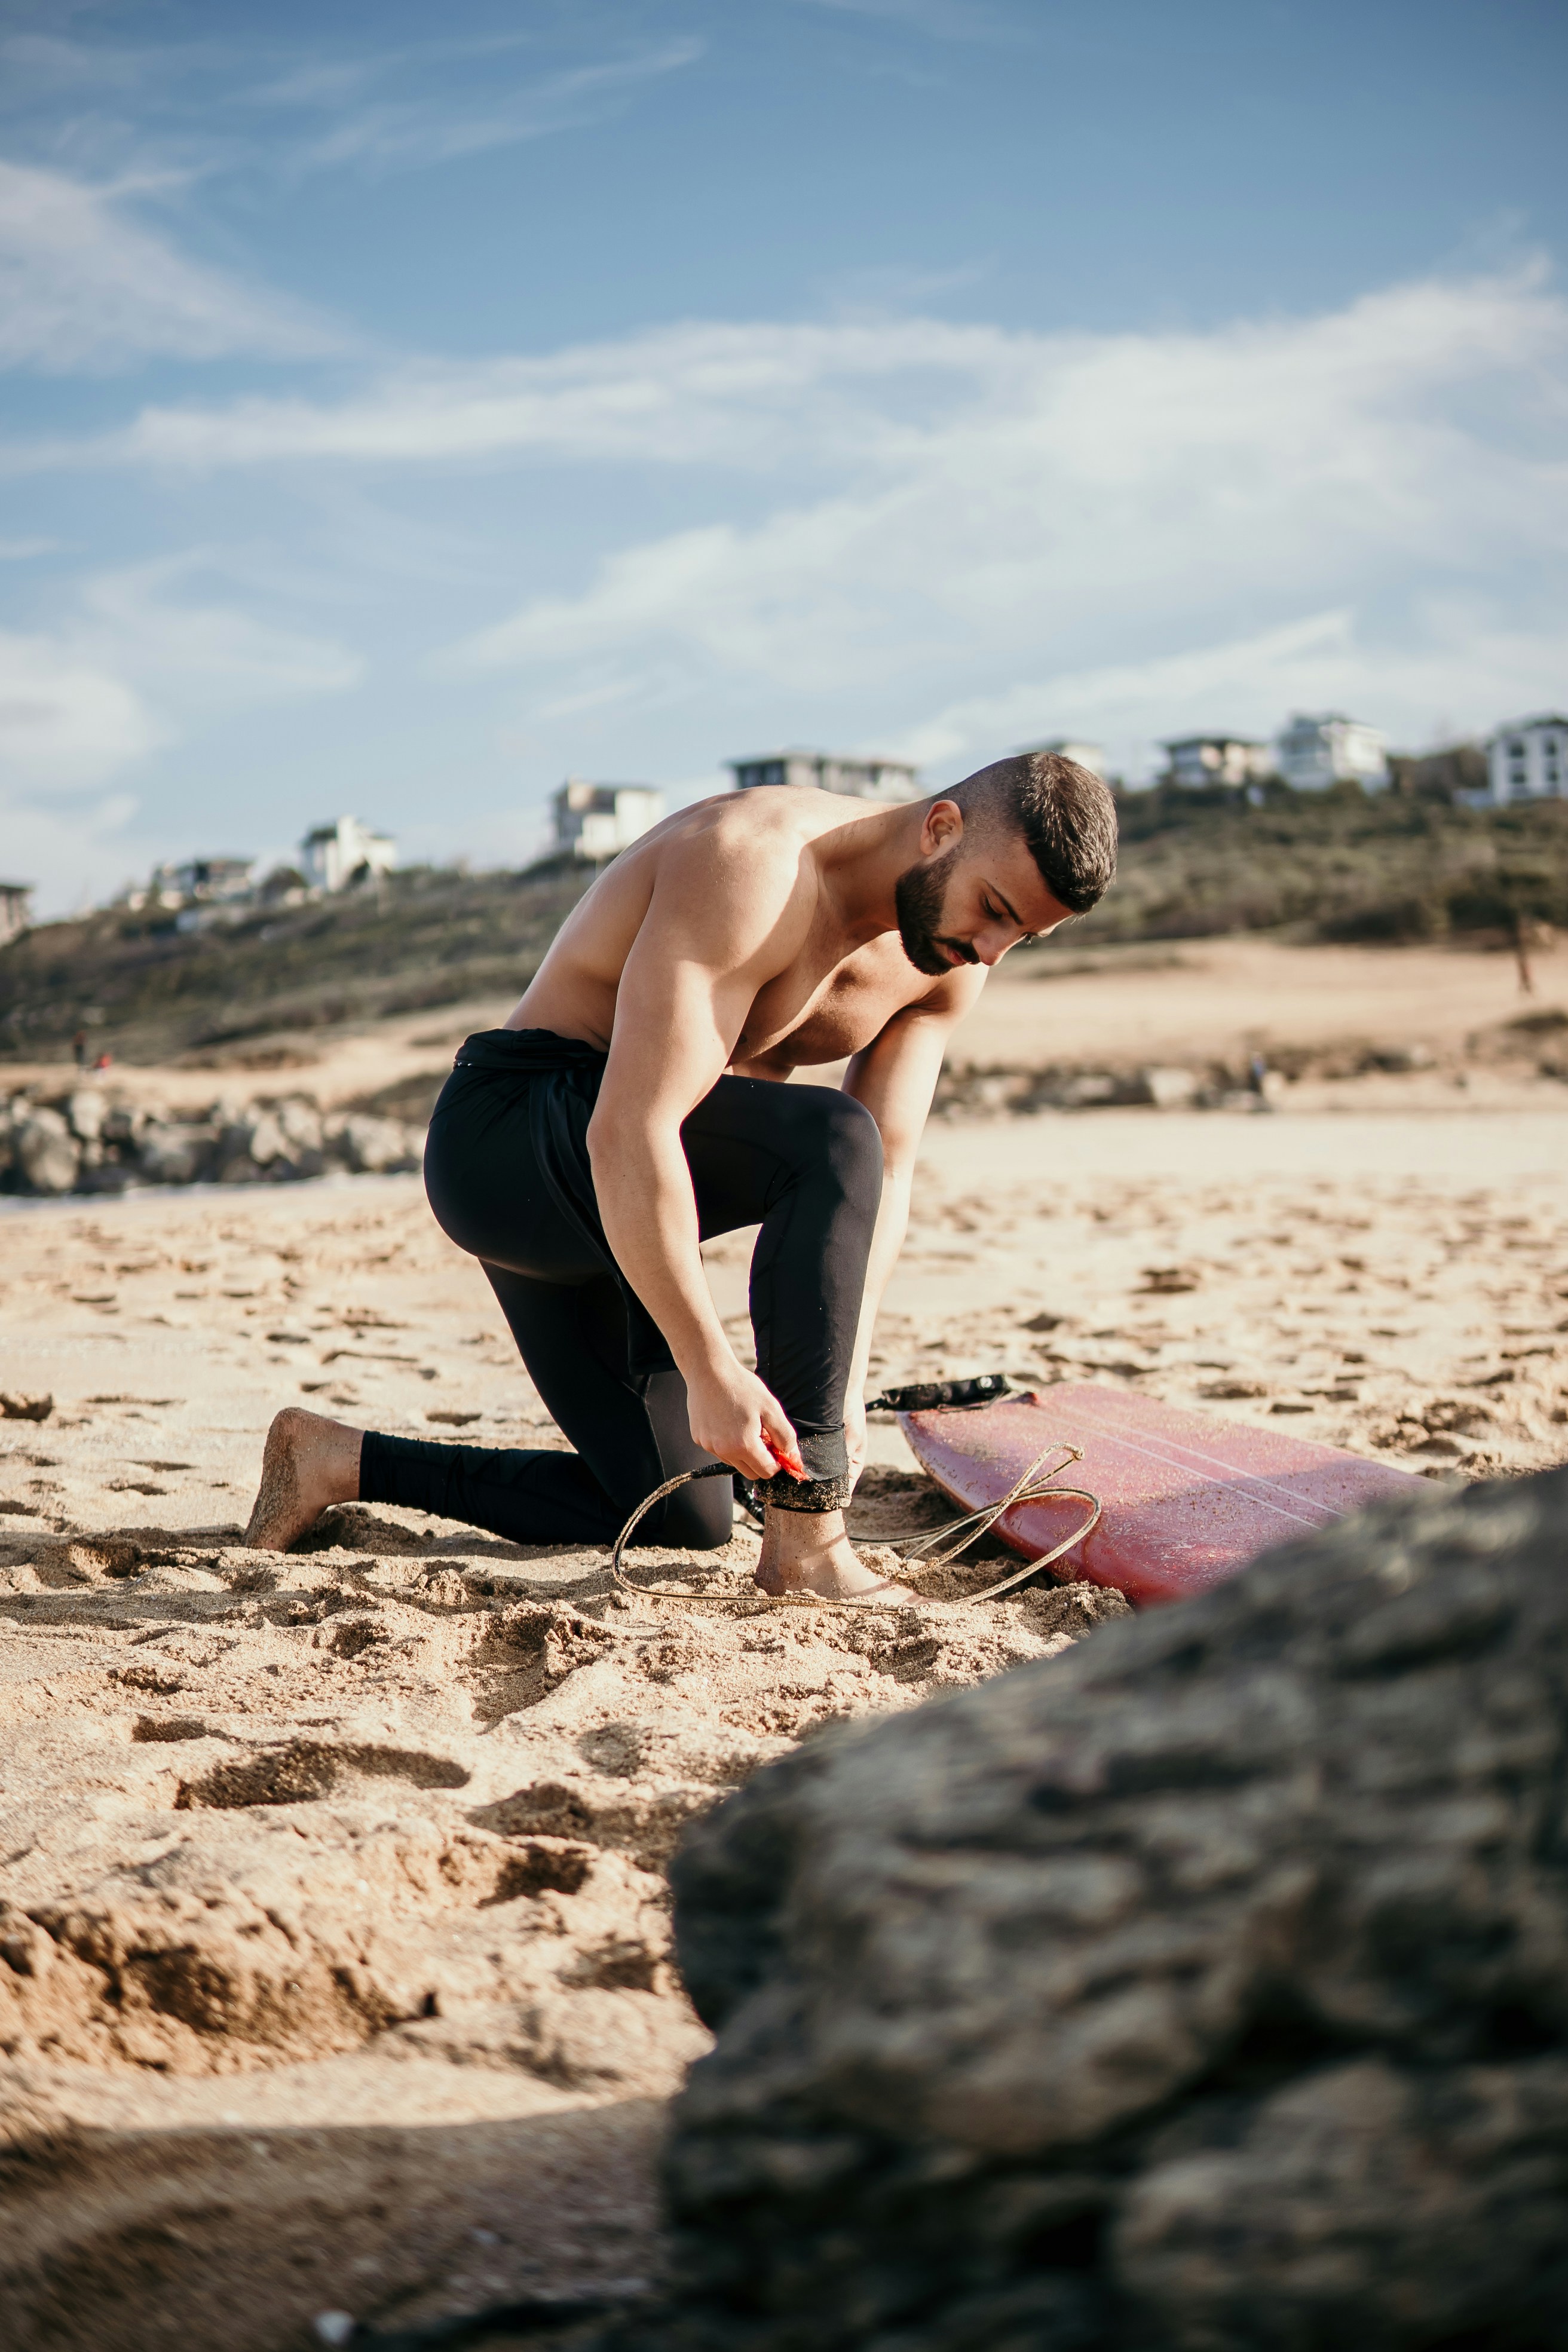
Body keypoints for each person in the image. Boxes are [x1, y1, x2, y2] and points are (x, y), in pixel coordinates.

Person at [244, 752, 1117, 1601]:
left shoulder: (946, 964)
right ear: (940, 828)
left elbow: (889, 1166)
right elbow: (634, 1125)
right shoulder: (754, 865)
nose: (993, 952)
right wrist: (709, 1365)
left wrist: (843, 1385)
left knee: (680, 1509)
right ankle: (808, 1543)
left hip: (613, 1195)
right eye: (995, 909)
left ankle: (331, 1458)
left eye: (1024, 936)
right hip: (512, 1142)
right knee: (828, 1138)